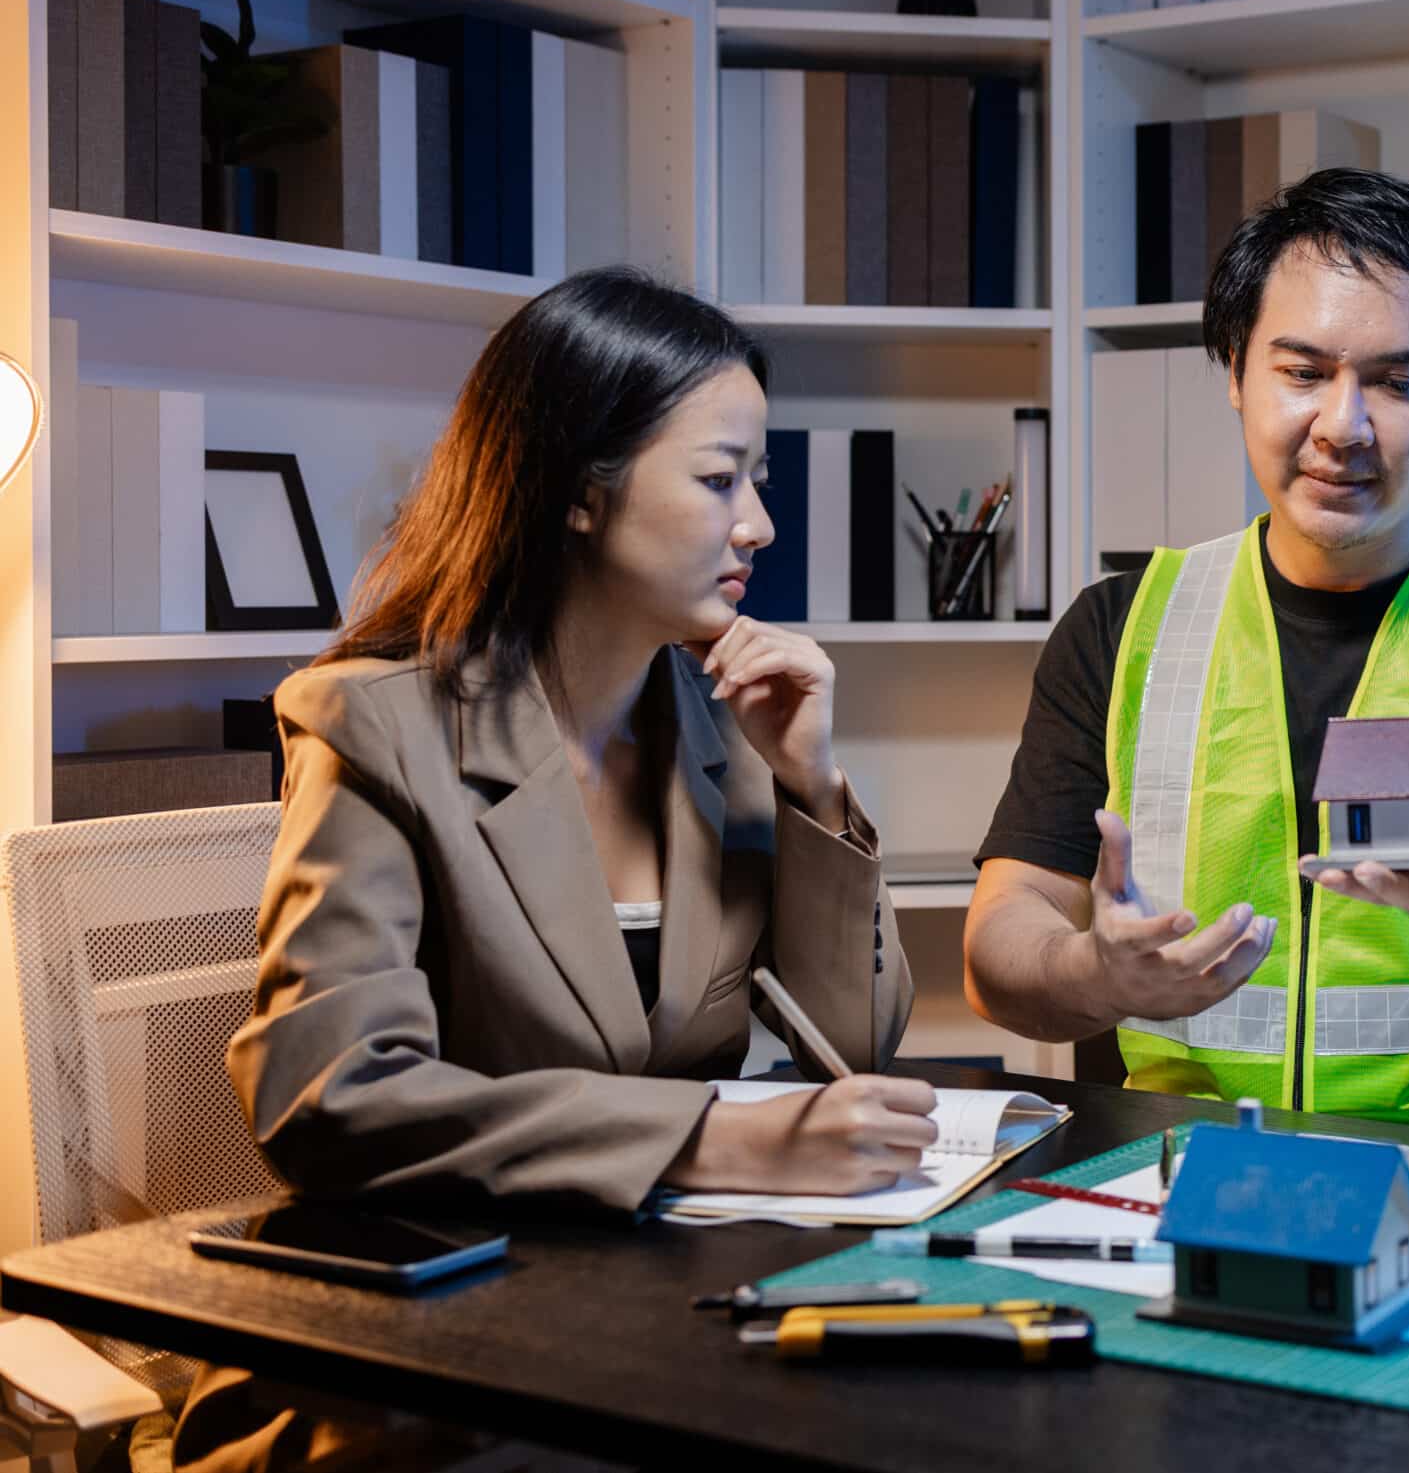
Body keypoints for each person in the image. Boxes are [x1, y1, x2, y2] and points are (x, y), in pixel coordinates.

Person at [963, 168, 1409, 1148]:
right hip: (1194, 1176)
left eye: (1398, 382)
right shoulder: (1121, 629)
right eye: (1302, 371)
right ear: (1234, 373)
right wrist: (1097, 972)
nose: (1343, 425)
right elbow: (1000, 945)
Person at [226, 268, 932, 1210]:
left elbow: (858, 1047)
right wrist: (707, 1141)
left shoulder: (726, 719)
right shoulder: (375, 728)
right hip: (451, 1292)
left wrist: (812, 785)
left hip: (673, 1283)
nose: (760, 525)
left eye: (757, 483)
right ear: (578, 494)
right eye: (720, 479)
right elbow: (331, 1097)